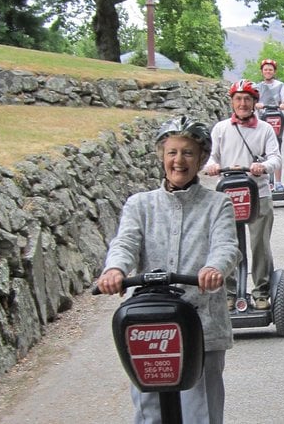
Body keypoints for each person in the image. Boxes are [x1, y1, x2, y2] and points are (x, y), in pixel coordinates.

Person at [96, 116, 241, 424]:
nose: (179, 161)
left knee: (200, 412)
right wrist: (115, 270)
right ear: (161, 156)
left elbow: (227, 246)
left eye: (188, 153)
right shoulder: (140, 205)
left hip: (201, 323)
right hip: (148, 324)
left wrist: (215, 268)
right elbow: (125, 243)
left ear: (201, 158)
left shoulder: (218, 205)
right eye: (172, 152)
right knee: (148, 411)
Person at [204, 79, 282, 311]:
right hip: (227, 194)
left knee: (260, 244)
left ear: (255, 102)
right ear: (232, 102)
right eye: (238, 98)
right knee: (229, 245)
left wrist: (264, 167)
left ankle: (261, 291)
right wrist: (212, 166)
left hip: (258, 193)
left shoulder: (265, 129)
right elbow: (210, 156)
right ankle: (229, 292)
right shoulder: (220, 129)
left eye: (247, 99)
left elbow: (275, 158)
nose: (243, 103)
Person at [254, 58, 284, 192]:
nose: (268, 71)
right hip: (262, 121)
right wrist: (255, 104)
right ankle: (263, 182)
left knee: (277, 150)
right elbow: (253, 101)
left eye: (270, 69)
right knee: (261, 151)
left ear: (274, 71)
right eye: (266, 69)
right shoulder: (257, 87)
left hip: (276, 120)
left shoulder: (280, 85)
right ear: (262, 71)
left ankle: (278, 182)